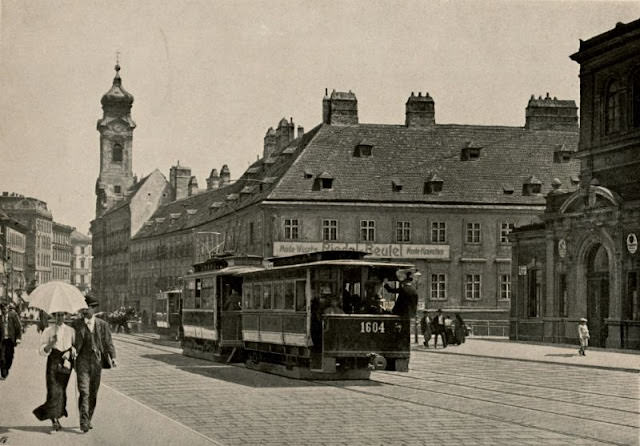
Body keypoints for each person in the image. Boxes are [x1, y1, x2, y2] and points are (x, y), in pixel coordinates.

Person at [73, 295, 117, 433]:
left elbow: (108, 342)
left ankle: (88, 418)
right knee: (84, 391)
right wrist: (72, 349)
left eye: (87, 309)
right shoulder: (76, 324)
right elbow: (71, 340)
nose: (84, 311)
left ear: (93, 309)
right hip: (82, 361)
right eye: (83, 309)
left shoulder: (102, 325)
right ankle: (84, 421)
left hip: (97, 362)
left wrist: (113, 357)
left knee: (93, 393)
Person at [33, 312, 76, 431]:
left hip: (66, 362)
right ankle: (54, 419)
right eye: (57, 315)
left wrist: (70, 350)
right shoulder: (48, 330)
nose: (60, 318)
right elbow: (41, 351)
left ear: (66, 316)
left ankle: (56, 413)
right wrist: (51, 344)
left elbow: (75, 346)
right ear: (54, 316)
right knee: (53, 389)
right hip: (53, 360)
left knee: (61, 390)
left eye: (62, 315)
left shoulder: (71, 331)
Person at [0, 302, 22, 379]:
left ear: (8, 308)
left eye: (5, 308)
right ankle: (3, 372)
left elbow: (18, 327)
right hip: (2, 341)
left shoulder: (13, 315)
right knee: (2, 357)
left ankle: (7, 368)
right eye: (2, 309)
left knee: (9, 356)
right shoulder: (0, 317)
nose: (4, 310)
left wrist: (18, 338)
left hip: (10, 340)